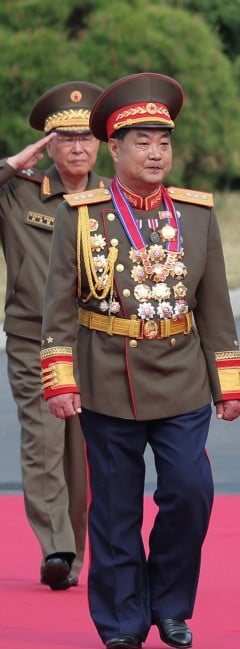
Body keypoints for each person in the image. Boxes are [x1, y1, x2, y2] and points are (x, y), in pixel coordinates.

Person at [41, 72, 240, 649]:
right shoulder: (81, 214)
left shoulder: (197, 213)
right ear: (115, 148)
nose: (156, 153)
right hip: (107, 375)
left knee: (190, 491)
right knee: (113, 507)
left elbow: (216, 306)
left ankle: (173, 605)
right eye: (142, 143)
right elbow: (57, 305)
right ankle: (122, 619)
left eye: (164, 142)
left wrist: (228, 380)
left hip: (182, 376)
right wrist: (59, 377)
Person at [0, 81, 102, 591]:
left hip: (96, 342)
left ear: (102, 142)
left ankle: (77, 553)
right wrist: (12, 163)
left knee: (82, 454)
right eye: (65, 139)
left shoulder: (115, 198)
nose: (77, 148)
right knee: (44, 440)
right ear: (48, 144)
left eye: (86, 137)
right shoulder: (19, 193)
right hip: (33, 339)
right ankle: (56, 548)